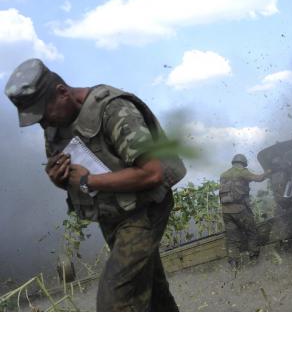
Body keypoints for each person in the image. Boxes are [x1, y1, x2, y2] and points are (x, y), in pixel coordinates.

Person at [4, 58, 183, 312]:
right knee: (152, 291)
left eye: (44, 114)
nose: (43, 124)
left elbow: (152, 174)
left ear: (62, 93)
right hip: (113, 216)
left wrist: (89, 180)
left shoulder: (114, 110)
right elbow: (71, 177)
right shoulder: (55, 128)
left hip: (145, 209)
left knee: (116, 302)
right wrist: (59, 179)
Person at [219, 154, 270, 269]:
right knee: (252, 233)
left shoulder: (223, 175)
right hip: (240, 210)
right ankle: (253, 260)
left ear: (233, 162)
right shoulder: (242, 171)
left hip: (226, 212)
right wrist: (269, 171)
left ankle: (234, 265)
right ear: (243, 163)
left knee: (232, 239)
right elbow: (259, 178)